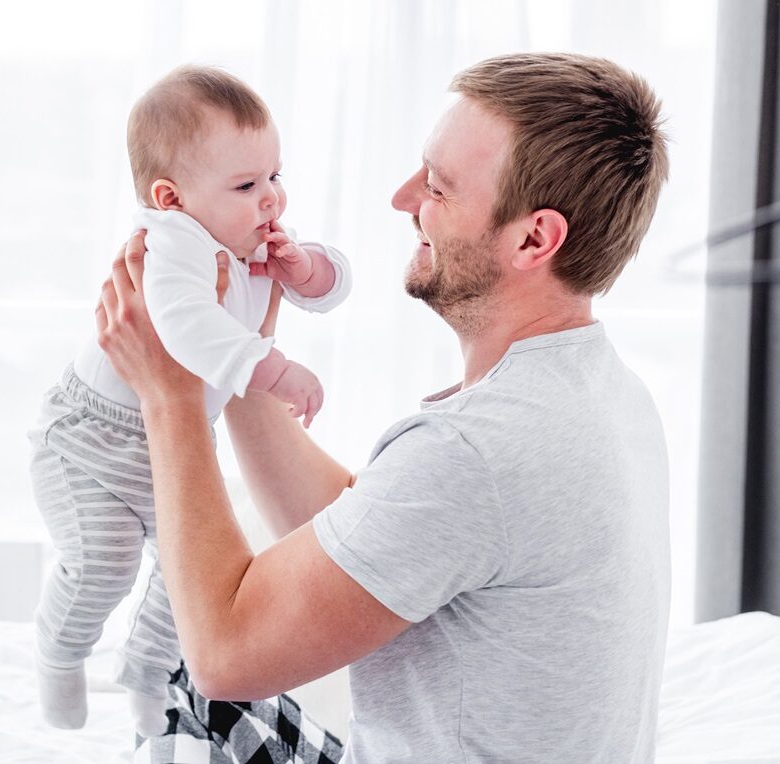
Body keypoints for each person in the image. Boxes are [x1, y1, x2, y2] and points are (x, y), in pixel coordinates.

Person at [95, 52, 671, 763]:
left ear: (533, 238)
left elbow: (224, 654)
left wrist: (170, 395)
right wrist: (240, 354)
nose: (403, 200)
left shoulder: (477, 453)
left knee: (183, 677)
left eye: (437, 186)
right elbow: (379, 533)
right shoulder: (603, 393)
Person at [29, 65, 352, 736]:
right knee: (103, 566)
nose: (271, 198)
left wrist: (307, 270)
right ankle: (59, 653)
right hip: (93, 438)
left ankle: (147, 674)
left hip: (171, 433)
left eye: (275, 175)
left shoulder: (245, 235)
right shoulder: (172, 240)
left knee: (194, 579)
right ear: (171, 197)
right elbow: (185, 326)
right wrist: (273, 369)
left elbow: (330, 286)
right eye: (247, 185)